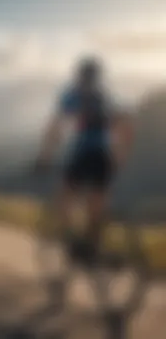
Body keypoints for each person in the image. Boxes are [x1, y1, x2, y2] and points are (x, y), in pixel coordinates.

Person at [35, 56, 134, 263]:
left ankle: (74, 245)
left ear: (79, 76)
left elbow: (56, 128)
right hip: (103, 157)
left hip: (81, 154)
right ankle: (93, 248)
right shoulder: (105, 97)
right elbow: (124, 125)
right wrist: (120, 155)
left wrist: (45, 157)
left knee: (64, 198)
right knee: (97, 204)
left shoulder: (73, 96)